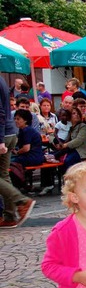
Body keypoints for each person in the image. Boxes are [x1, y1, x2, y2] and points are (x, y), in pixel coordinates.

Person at [0, 76, 35, 229]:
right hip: (9, 132)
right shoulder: (1, 79)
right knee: (3, 175)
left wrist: (0, 139)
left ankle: (21, 201)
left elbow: (0, 112)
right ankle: (9, 215)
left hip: (3, 134)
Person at [54, 107, 86, 179]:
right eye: (74, 113)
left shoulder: (83, 126)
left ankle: (71, 181)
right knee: (51, 158)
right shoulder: (67, 126)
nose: (76, 115)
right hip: (68, 150)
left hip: (80, 151)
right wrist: (55, 143)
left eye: (78, 113)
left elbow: (78, 140)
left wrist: (65, 145)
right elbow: (53, 135)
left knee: (68, 161)